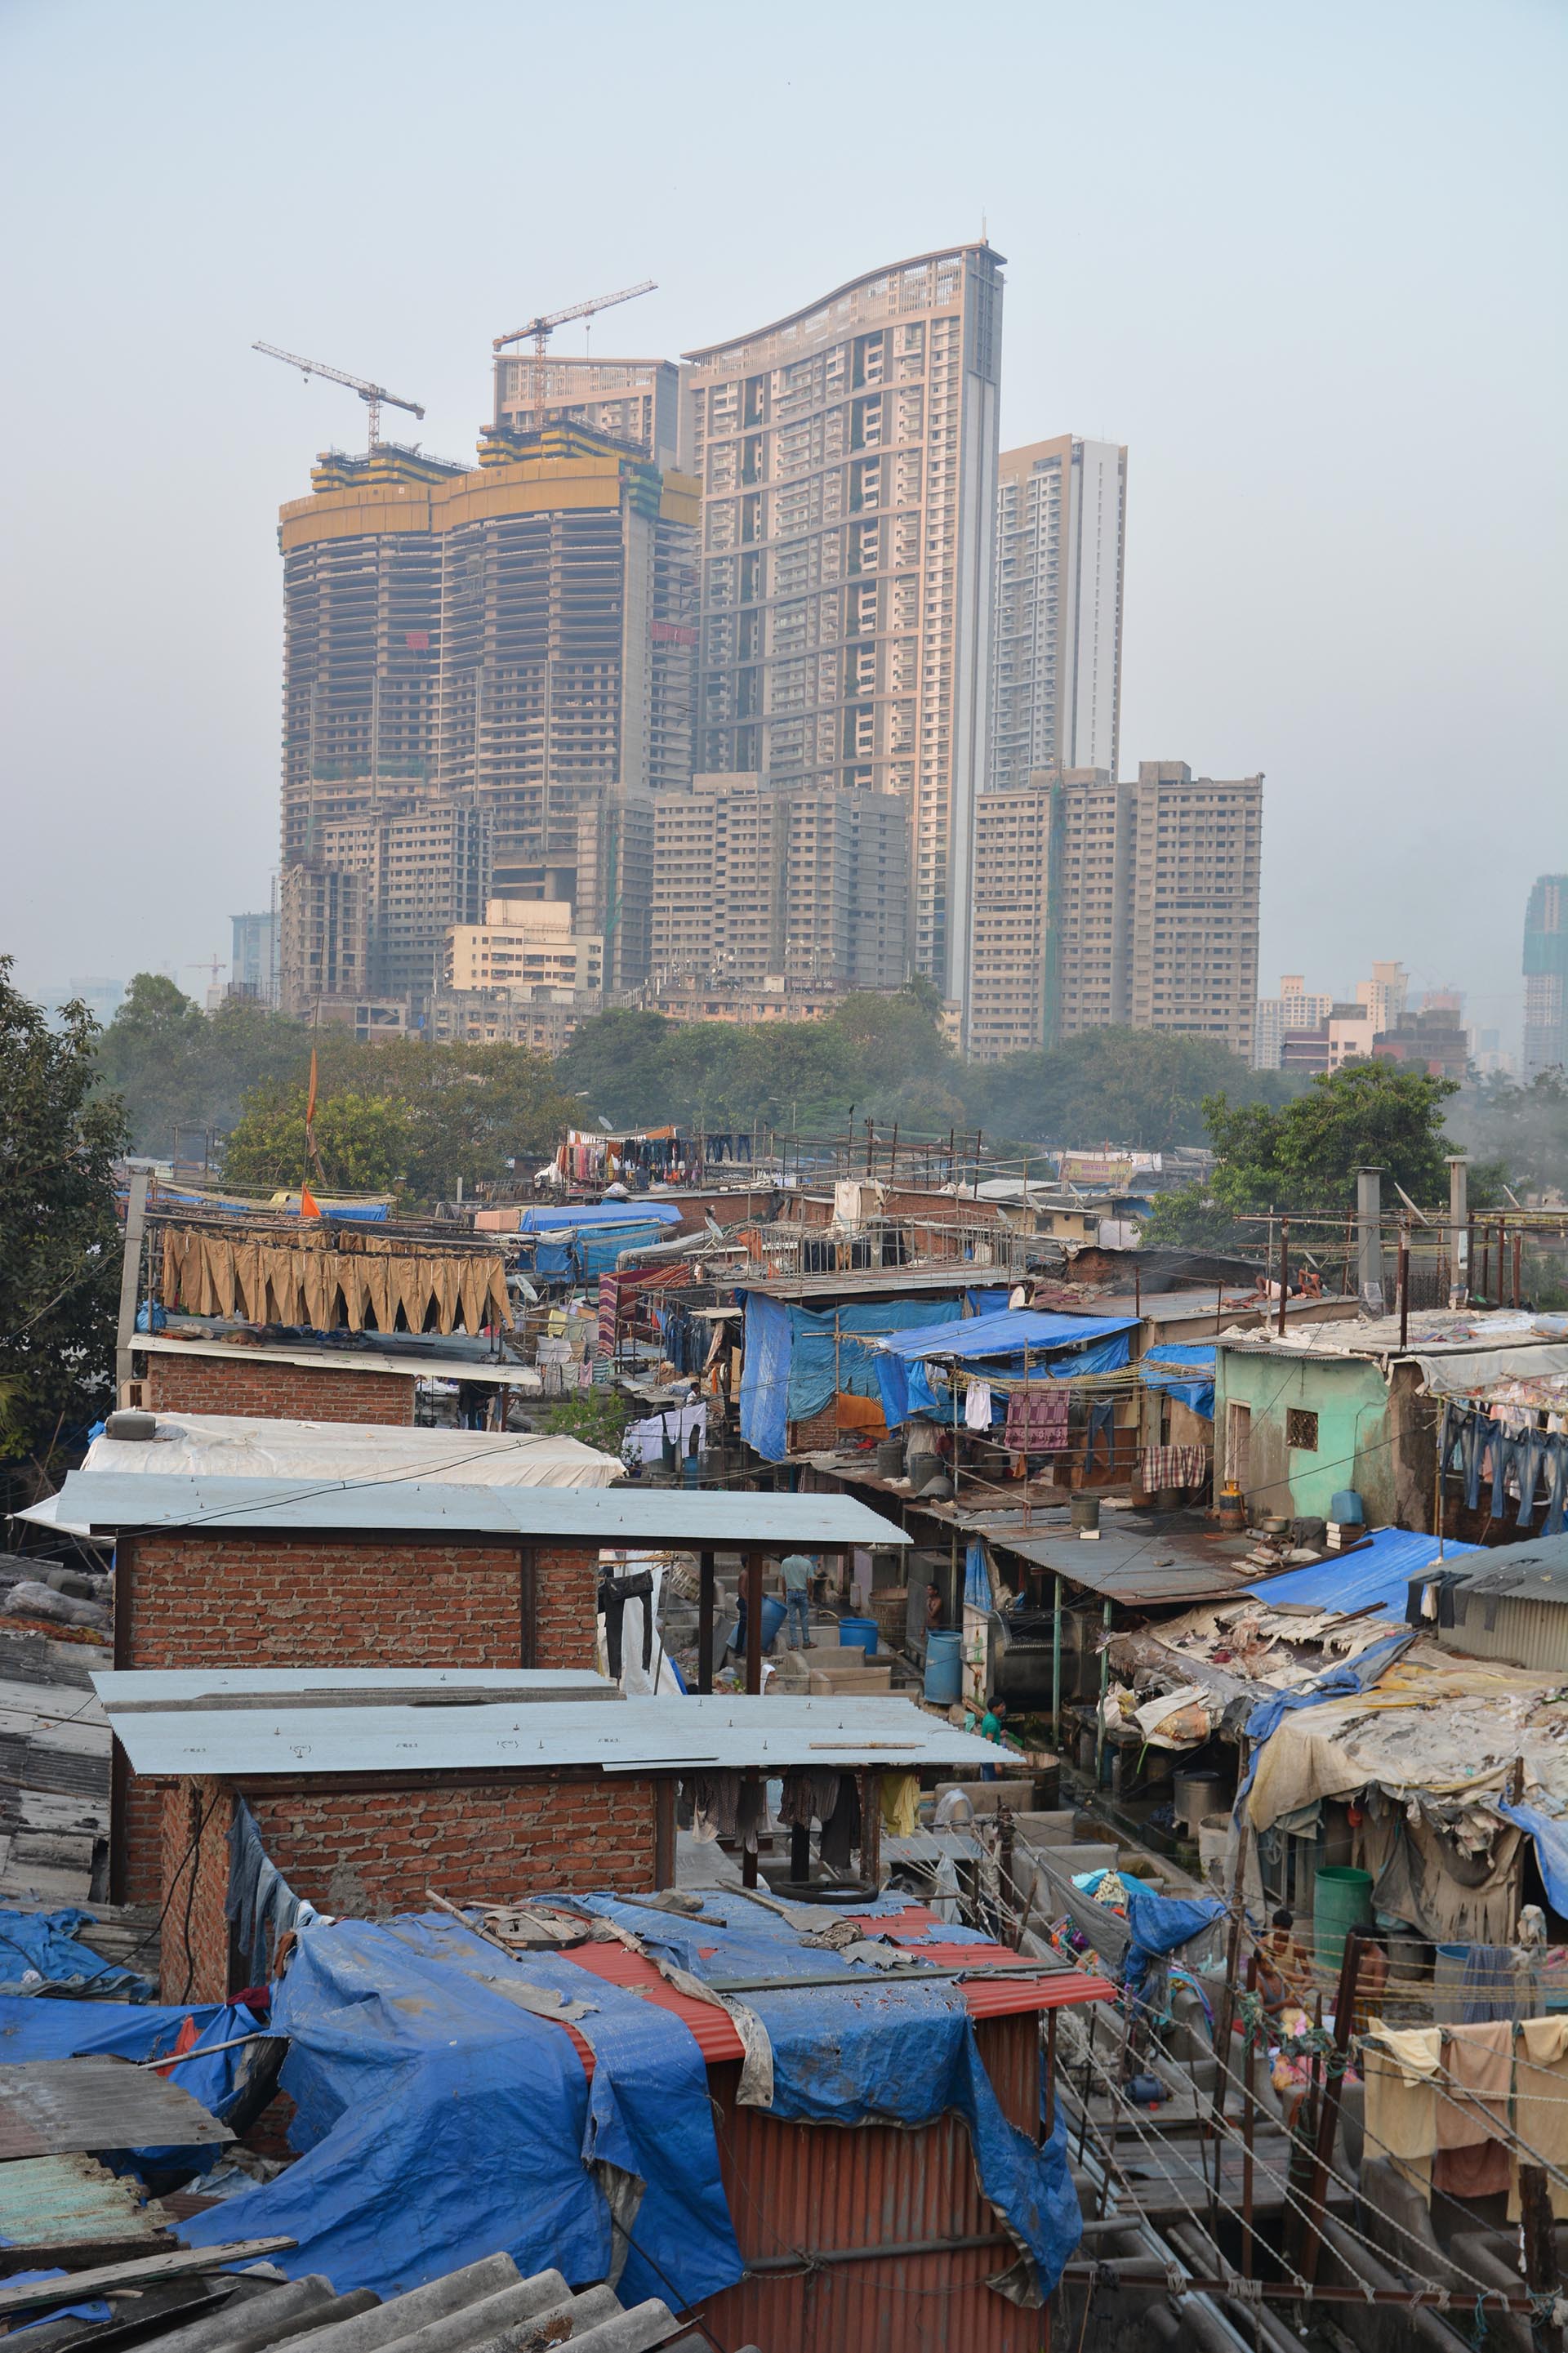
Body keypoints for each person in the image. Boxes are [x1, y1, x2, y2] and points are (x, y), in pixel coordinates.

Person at [779, 1551, 815, 1651]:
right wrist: (810, 1594)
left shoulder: (785, 1562)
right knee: (804, 1618)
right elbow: (809, 1581)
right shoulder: (807, 1563)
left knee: (792, 1619)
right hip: (803, 1592)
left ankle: (794, 1644)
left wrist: (784, 1594)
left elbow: (783, 1580)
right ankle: (806, 1642)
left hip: (790, 1592)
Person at [979, 1696, 1007, 1781]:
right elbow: (989, 1744)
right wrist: (996, 1764)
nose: (1004, 1708)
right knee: (990, 1786)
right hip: (989, 1759)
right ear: (995, 1709)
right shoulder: (993, 1723)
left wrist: (999, 1735)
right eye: (1001, 1706)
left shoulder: (988, 1717)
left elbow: (989, 1735)